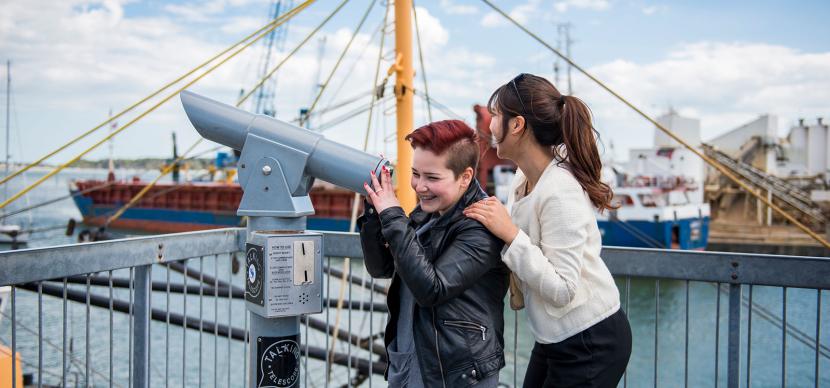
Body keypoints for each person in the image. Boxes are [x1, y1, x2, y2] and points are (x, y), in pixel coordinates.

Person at [464, 73, 632, 387]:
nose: (489, 124)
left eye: (497, 115)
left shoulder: (560, 191)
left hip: (591, 339)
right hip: (555, 336)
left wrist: (511, 234)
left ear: (516, 125)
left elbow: (563, 289)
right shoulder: (523, 177)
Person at [359, 119, 509, 387]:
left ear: (465, 177)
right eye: (416, 173)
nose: (419, 186)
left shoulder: (480, 226)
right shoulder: (427, 215)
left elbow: (432, 289)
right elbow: (380, 268)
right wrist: (373, 212)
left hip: (455, 371)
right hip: (410, 358)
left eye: (432, 177)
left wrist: (393, 216)